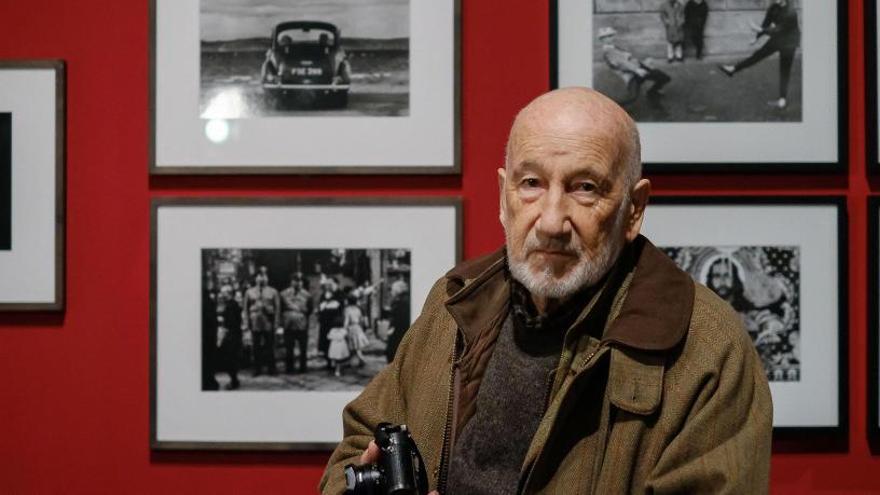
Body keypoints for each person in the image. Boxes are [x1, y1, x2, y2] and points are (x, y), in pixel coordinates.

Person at [320, 88, 772, 494]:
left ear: (634, 210)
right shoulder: (454, 303)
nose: (552, 222)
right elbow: (358, 443)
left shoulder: (707, 350)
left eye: (585, 188)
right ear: (504, 197)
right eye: (532, 184)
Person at [717, 0, 800, 109]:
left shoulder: (791, 12)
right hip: (778, 38)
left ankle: (782, 100)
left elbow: (776, 30)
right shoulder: (773, 8)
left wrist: (758, 29)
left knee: (784, 70)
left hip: (789, 42)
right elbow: (766, 23)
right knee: (757, 55)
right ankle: (733, 69)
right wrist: (756, 38)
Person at [598, 27, 671, 105]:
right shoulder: (609, 51)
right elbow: (622, 63)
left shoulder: (613, 47)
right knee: (631, 97)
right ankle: (611, 107)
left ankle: (652, 92)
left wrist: (644, 63)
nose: (610, 38)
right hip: (632, 75)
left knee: (663, 77)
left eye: (611, 35)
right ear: (602, 40)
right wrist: (636, 70)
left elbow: (629, 58)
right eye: (607, 37)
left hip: (639, 69)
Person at [243, 267, 280, 376]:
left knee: (270, 346)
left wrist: (276, 323)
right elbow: (245, 309)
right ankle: (257, 369)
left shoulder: (273, 291)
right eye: (259, 276)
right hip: (255, 322)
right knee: (256, 347)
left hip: (268, 321)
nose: (262, 279)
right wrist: (246, 323)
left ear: (267, 278)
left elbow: (277, 308)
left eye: (264, 276)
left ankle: (271, 368)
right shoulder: (249, 292)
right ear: (256, 278)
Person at [279, 272, 312, 374]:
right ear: (291, 282)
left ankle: (303, 367)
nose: (298, 283)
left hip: (302, 325)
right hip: (288, 324)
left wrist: (302, 311)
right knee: (289, 347)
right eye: (295, 280)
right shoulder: (283, 294)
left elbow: (310, 310)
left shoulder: (307, 295)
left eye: (300, 281)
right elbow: (280, 309)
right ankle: (289, 368)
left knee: (303, 348)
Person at [216, 285, 243, 389]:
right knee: (232, 358)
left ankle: (234, 381)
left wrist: (224, 331)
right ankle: (234, 380)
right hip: (234, 334)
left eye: (223, 292)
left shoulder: (231, 305)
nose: (221, 295)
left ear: (228, 293)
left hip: (232, 335)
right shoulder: (233, 304)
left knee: (230, 359)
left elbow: (231, 322)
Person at [317, 277, 344, 369]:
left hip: (335, 322)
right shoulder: (324, 294)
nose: (328, 286)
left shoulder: (340, 294)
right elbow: (320, 306)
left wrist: (326, 306)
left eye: (330, 284)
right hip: (324, 322)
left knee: (335, 342)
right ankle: (328, 361)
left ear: (335, 284)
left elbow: (338, 305)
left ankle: (337, 362)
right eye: (327, 284)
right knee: (325, 342)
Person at [344, 293, 369, 366]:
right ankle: (350, 361)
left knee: (355, 346)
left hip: (351, 328)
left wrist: (344, 328)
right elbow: (361, 319)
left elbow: (347, 320)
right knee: (355, 346)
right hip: (358, 327)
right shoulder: (358, 309)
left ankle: (362, 359)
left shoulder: (347, 310)